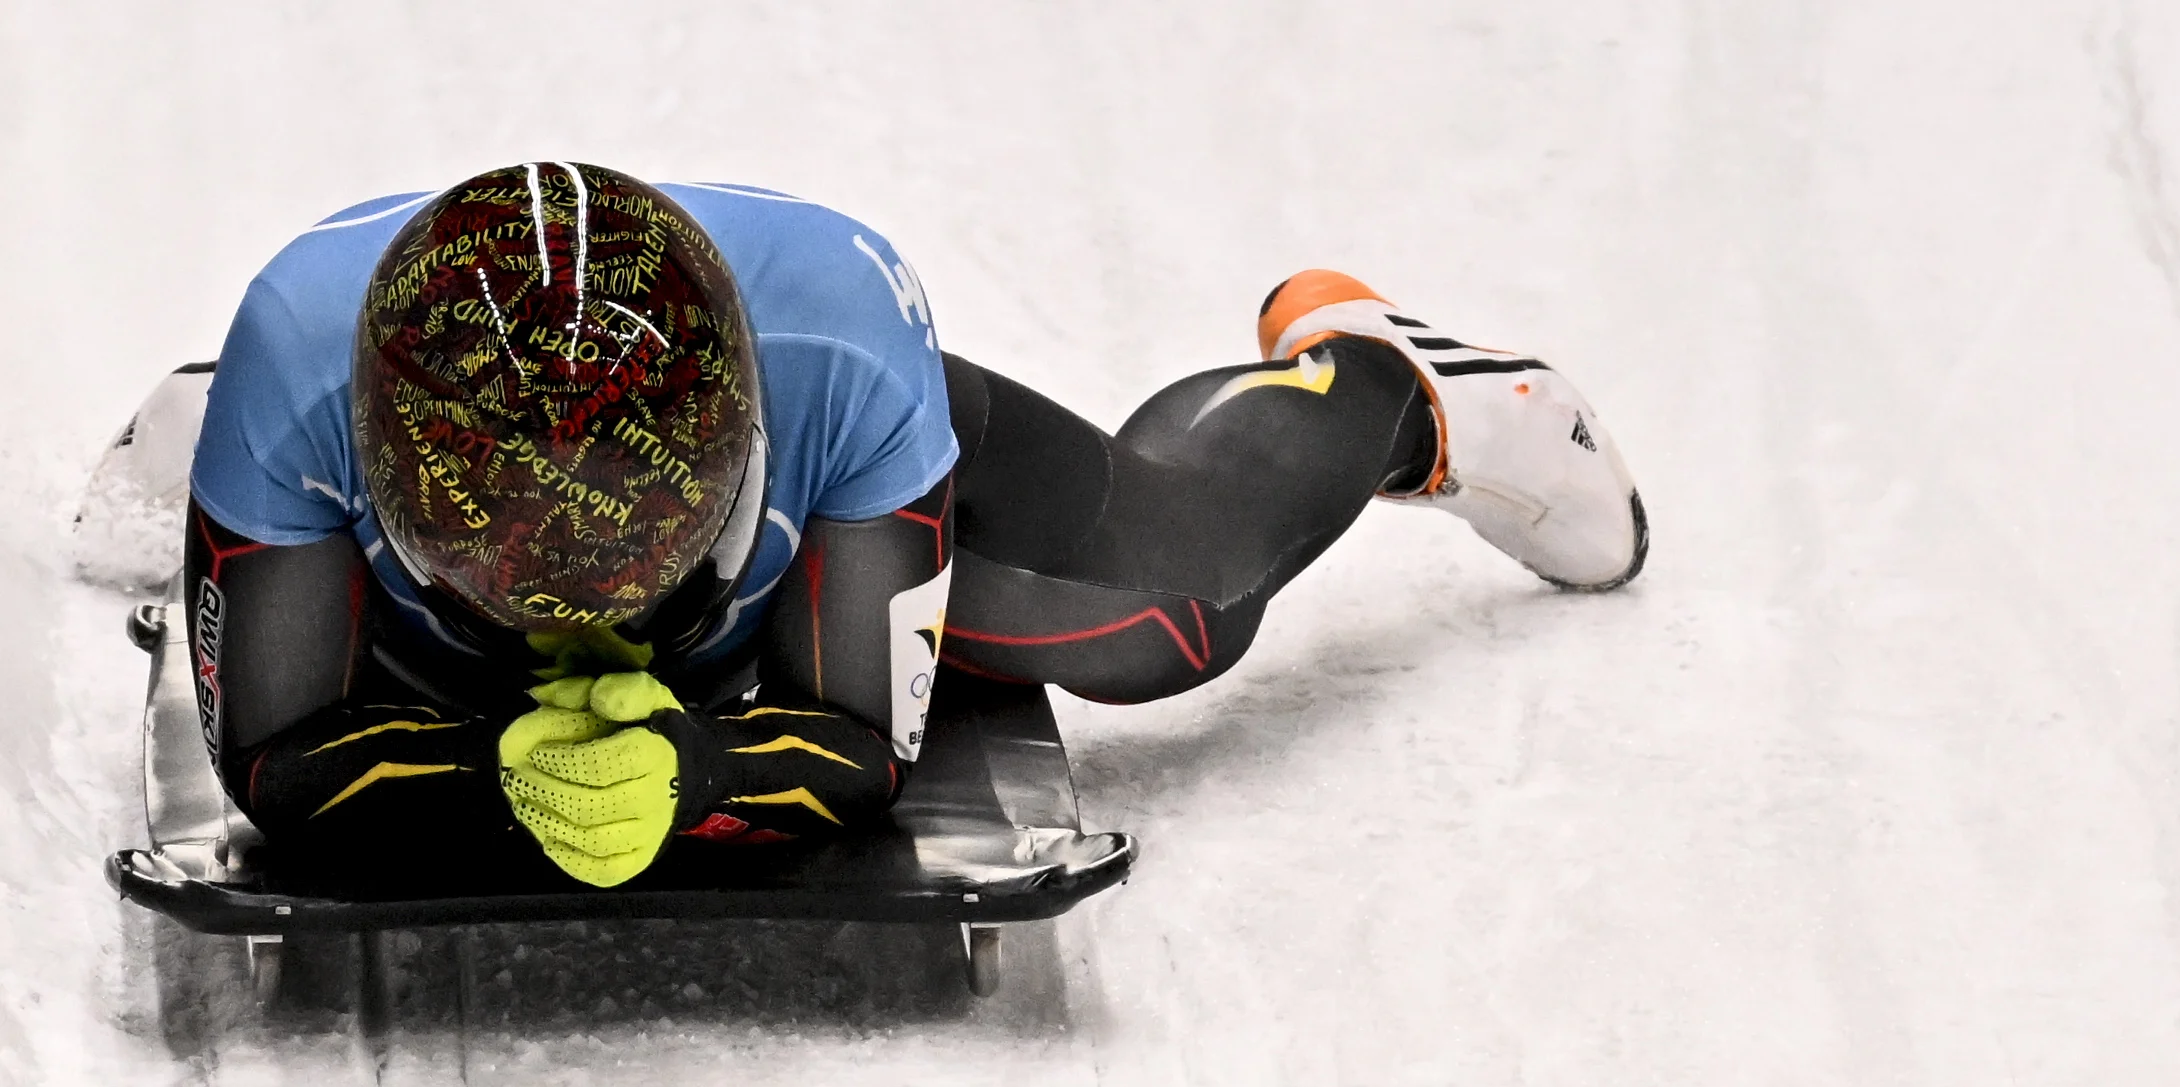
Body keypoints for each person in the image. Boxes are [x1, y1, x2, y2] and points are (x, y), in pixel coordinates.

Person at [185, 163, 1646, 888]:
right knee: (283, 519)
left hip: (794, 469)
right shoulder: (295, 369)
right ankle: (205, 453)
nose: (582, 610)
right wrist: (526, 783)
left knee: (1162, 619)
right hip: (341, 428)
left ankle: (1384, 379)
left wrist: (687, 763)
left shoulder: (837, 354)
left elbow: (858, 752)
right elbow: (273, 765)